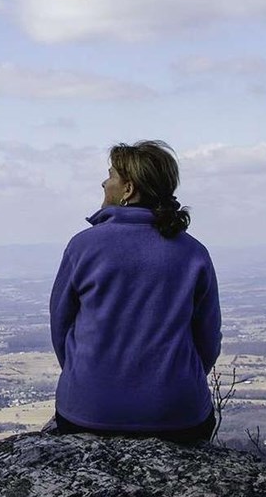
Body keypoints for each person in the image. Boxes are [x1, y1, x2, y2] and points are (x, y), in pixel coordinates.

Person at [48, 140, 221, 442]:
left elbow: (61, 324)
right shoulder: (193, 253)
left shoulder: (83, 246)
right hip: (178, 415)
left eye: (111, 175)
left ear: (128, 190)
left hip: (88, 411)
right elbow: (207, 339)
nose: (104, 182)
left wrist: (86, 377)